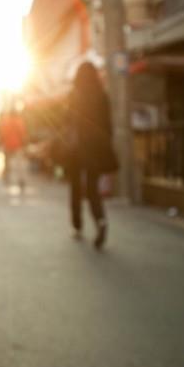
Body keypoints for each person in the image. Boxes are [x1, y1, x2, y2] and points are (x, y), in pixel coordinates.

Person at [66, 62, 118, 249]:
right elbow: (109, 126)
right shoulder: (102, 96)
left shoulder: (74, 96)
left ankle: (77, 225)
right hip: (95, 150)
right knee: (92, 189)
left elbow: (67, 123)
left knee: (75, 188)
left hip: (76, 150)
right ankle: (100, 221)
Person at [0, 109, 28, 190]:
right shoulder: (20, 122)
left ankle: (6, 177)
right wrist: (24, 144)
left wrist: (2, 143)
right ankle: (21, 179)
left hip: (7, 145)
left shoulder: (6, 122)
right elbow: (23, 134)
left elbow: (2, 134)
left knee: (7, 162)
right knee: (20, 163)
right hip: (18, 145)